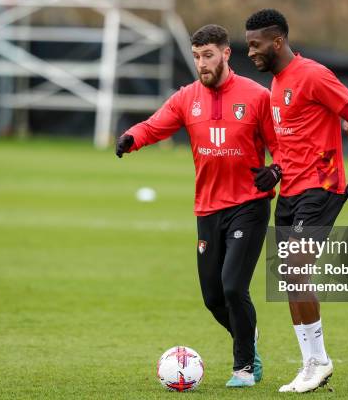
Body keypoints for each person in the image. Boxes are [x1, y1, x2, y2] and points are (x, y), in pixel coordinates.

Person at [116, 24, 282, 387]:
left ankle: (243, 368)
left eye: (207, 56)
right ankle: (247, 336)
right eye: (195, 57)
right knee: (212, 297)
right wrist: (132, 138)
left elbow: (280, 145)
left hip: (248, 205)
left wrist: (275, 170)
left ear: (225, 54)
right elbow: (156, 125)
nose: (201, 64)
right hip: (207, 208)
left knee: (234, 287)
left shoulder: (256, 96)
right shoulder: (186, 97)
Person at [245, 9, 348, 393]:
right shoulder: (276, 84)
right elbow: (291, 142)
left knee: (298, 270)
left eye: (255, 45)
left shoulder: (314, 75)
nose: (250, 52)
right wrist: (277, 169)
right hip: (292, 191)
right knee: (289, 277)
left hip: (322, 186)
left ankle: (320, 360)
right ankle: (309, 364)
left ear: (277, 41)